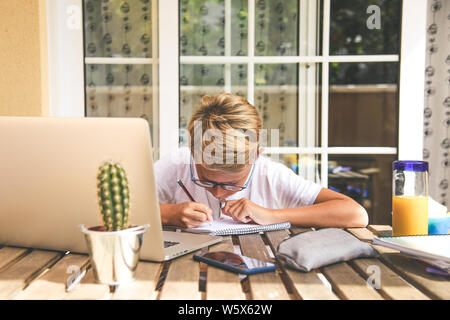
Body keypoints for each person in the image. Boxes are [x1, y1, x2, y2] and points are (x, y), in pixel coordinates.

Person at [154, 93, 368, 229]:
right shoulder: (178, 164)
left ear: (256, 156)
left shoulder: (271, 175)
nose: (218, 193)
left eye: (232, 184)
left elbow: (356, 214)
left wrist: (271, 215)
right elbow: (122, 211)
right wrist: (168, 213)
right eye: (206, 180)